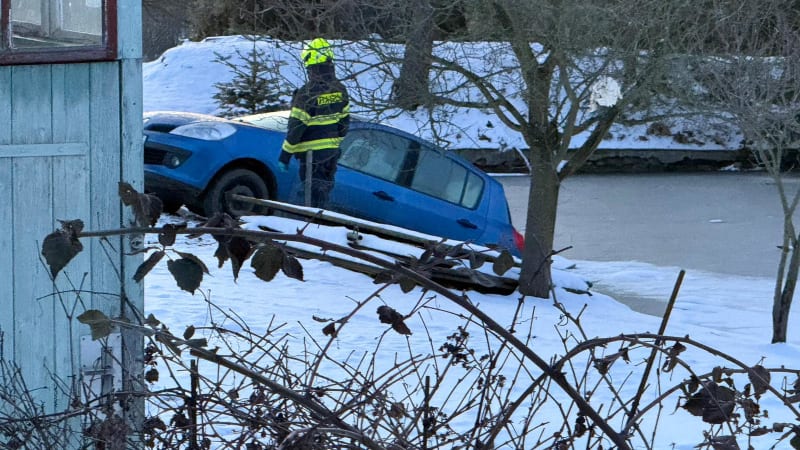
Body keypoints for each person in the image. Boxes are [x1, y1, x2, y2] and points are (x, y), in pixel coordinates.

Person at [278, 37, 350, 209]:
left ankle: (308, 230)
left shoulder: (307, 93)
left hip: (311, 157)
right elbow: (344, 124)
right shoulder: (340, 89)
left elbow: (296, 128)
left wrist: (285, 156)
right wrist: (332, 146)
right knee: (323, 198)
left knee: (308, 200)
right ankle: (319, 228)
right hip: (331, 156)